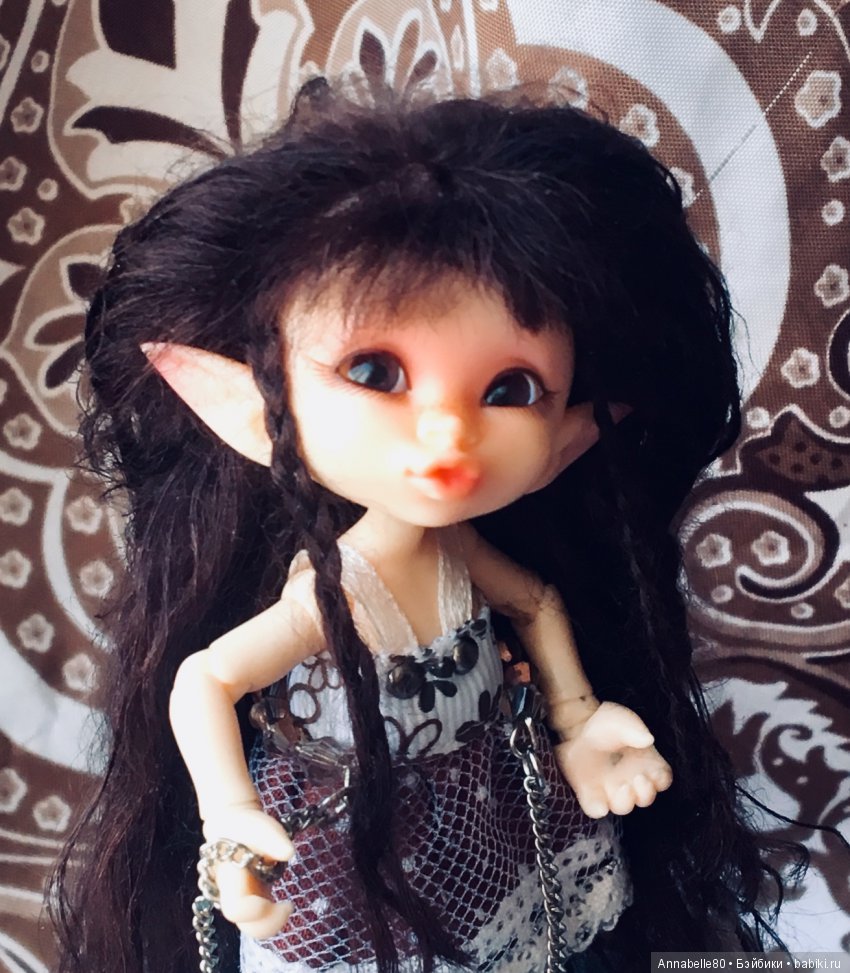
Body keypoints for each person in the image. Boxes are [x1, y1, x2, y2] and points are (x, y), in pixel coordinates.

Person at [52, 80, 791, 973]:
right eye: (375, 372)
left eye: (511, 389)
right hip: (350, 836)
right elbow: (206, 679)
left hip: (496, 805)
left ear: (567, 438)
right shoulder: (339, 588)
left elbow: (535, 601)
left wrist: (580, 717)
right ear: (248, 407)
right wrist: (230, 814)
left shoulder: (460, 554)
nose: (449, 434)